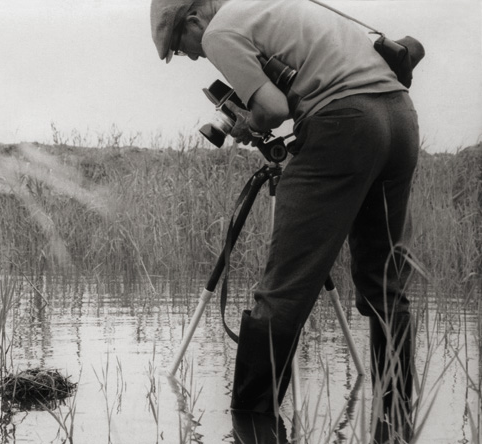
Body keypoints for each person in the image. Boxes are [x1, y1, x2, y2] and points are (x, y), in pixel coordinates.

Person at [150, 0, 419, 442]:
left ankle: (250, 424)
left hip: (344, 124)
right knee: (385, 282)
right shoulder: (274, 8)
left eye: (181, 47)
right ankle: (399, 422)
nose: (194, 57)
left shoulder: (219, 31)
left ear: (195, 19)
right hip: (399, 118)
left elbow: (272, 107)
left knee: (284, 288)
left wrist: (245, 125)